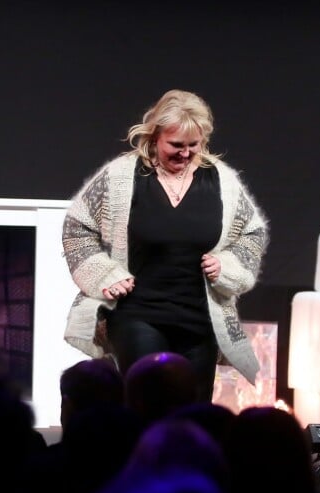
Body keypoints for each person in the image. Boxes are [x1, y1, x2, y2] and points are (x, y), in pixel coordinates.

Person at [62, 88, 269, 402]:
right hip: (138, 313)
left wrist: (226, 265)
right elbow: (77, 228)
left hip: (199, 319)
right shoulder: (122, 176)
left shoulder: (221, 181)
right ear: (155, 137)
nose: (185, 154)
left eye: (193, 145)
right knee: (149, 401)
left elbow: (252, 235)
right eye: (175, 145)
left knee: (194, 412)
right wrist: (104, 274)